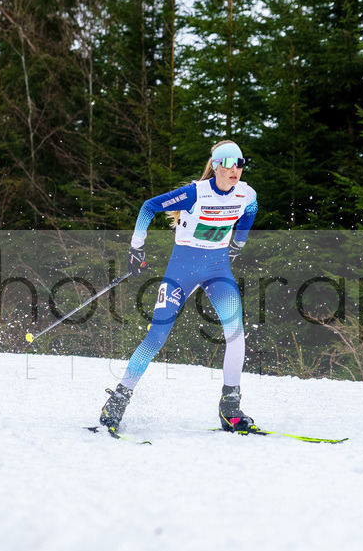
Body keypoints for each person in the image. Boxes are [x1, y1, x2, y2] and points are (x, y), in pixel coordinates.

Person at [99, 139, 259, 433]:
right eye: (229, 163)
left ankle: (230, 409)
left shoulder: (246, 193)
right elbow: (148, 208)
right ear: (217, 167)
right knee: (157, 337)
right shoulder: (193, 194)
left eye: (239, 163)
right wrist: (137, 248)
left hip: (217, 270)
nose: (235, 169)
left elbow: (251, 210)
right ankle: (117, 402)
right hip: (181, 271)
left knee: (236, 333)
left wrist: (238, 244)